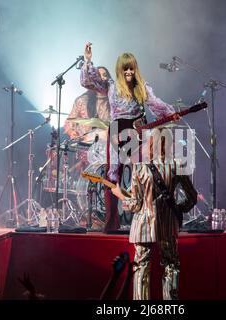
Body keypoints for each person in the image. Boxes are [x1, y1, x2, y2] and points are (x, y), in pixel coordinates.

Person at [80, 42, 179, 232]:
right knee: (112, 177)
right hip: (117, 135)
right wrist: (88, 60)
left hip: (138, 135)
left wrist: (171, 113)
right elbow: (88, 82)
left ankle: (146, 220)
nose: (128, 71)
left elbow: (156, 104)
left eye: (131, 68)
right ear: (119, 69)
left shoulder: (142, 87)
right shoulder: (110, 86)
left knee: (144, 175)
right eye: (125, 68)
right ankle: (111, 224)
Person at [111, 129, 197, 300]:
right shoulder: (177, 165)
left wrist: (120, 195)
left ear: (150, 144)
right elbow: (192, 197)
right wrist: (178, 209)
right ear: (170, 143)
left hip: (143, 224)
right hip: (167, 225)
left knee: (141, 266)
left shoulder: (140, 168)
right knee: (171, 265)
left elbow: (135, 204)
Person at [64, 66, 111, 173]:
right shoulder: (82, 100)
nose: (103, 78)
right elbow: (69, 123)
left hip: (107, 150)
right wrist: (73, 134)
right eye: (99, 76)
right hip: (84, 150)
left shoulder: (114, 101)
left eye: (105, 75)